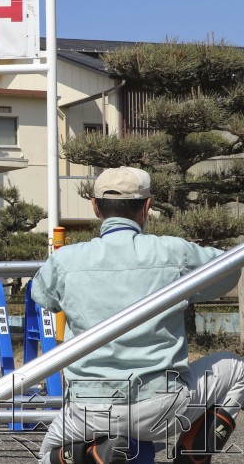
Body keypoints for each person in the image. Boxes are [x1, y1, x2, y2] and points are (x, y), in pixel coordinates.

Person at [31, 167, 244, 464]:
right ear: (147, 206)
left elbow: (42, 297)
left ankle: (88, 454)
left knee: (46, 456)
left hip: (90, 408)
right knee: (237, 370)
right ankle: (193, 454)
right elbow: (227, 273)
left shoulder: (65, 260)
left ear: (94, 206)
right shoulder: (173, 253)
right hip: (162, 407)